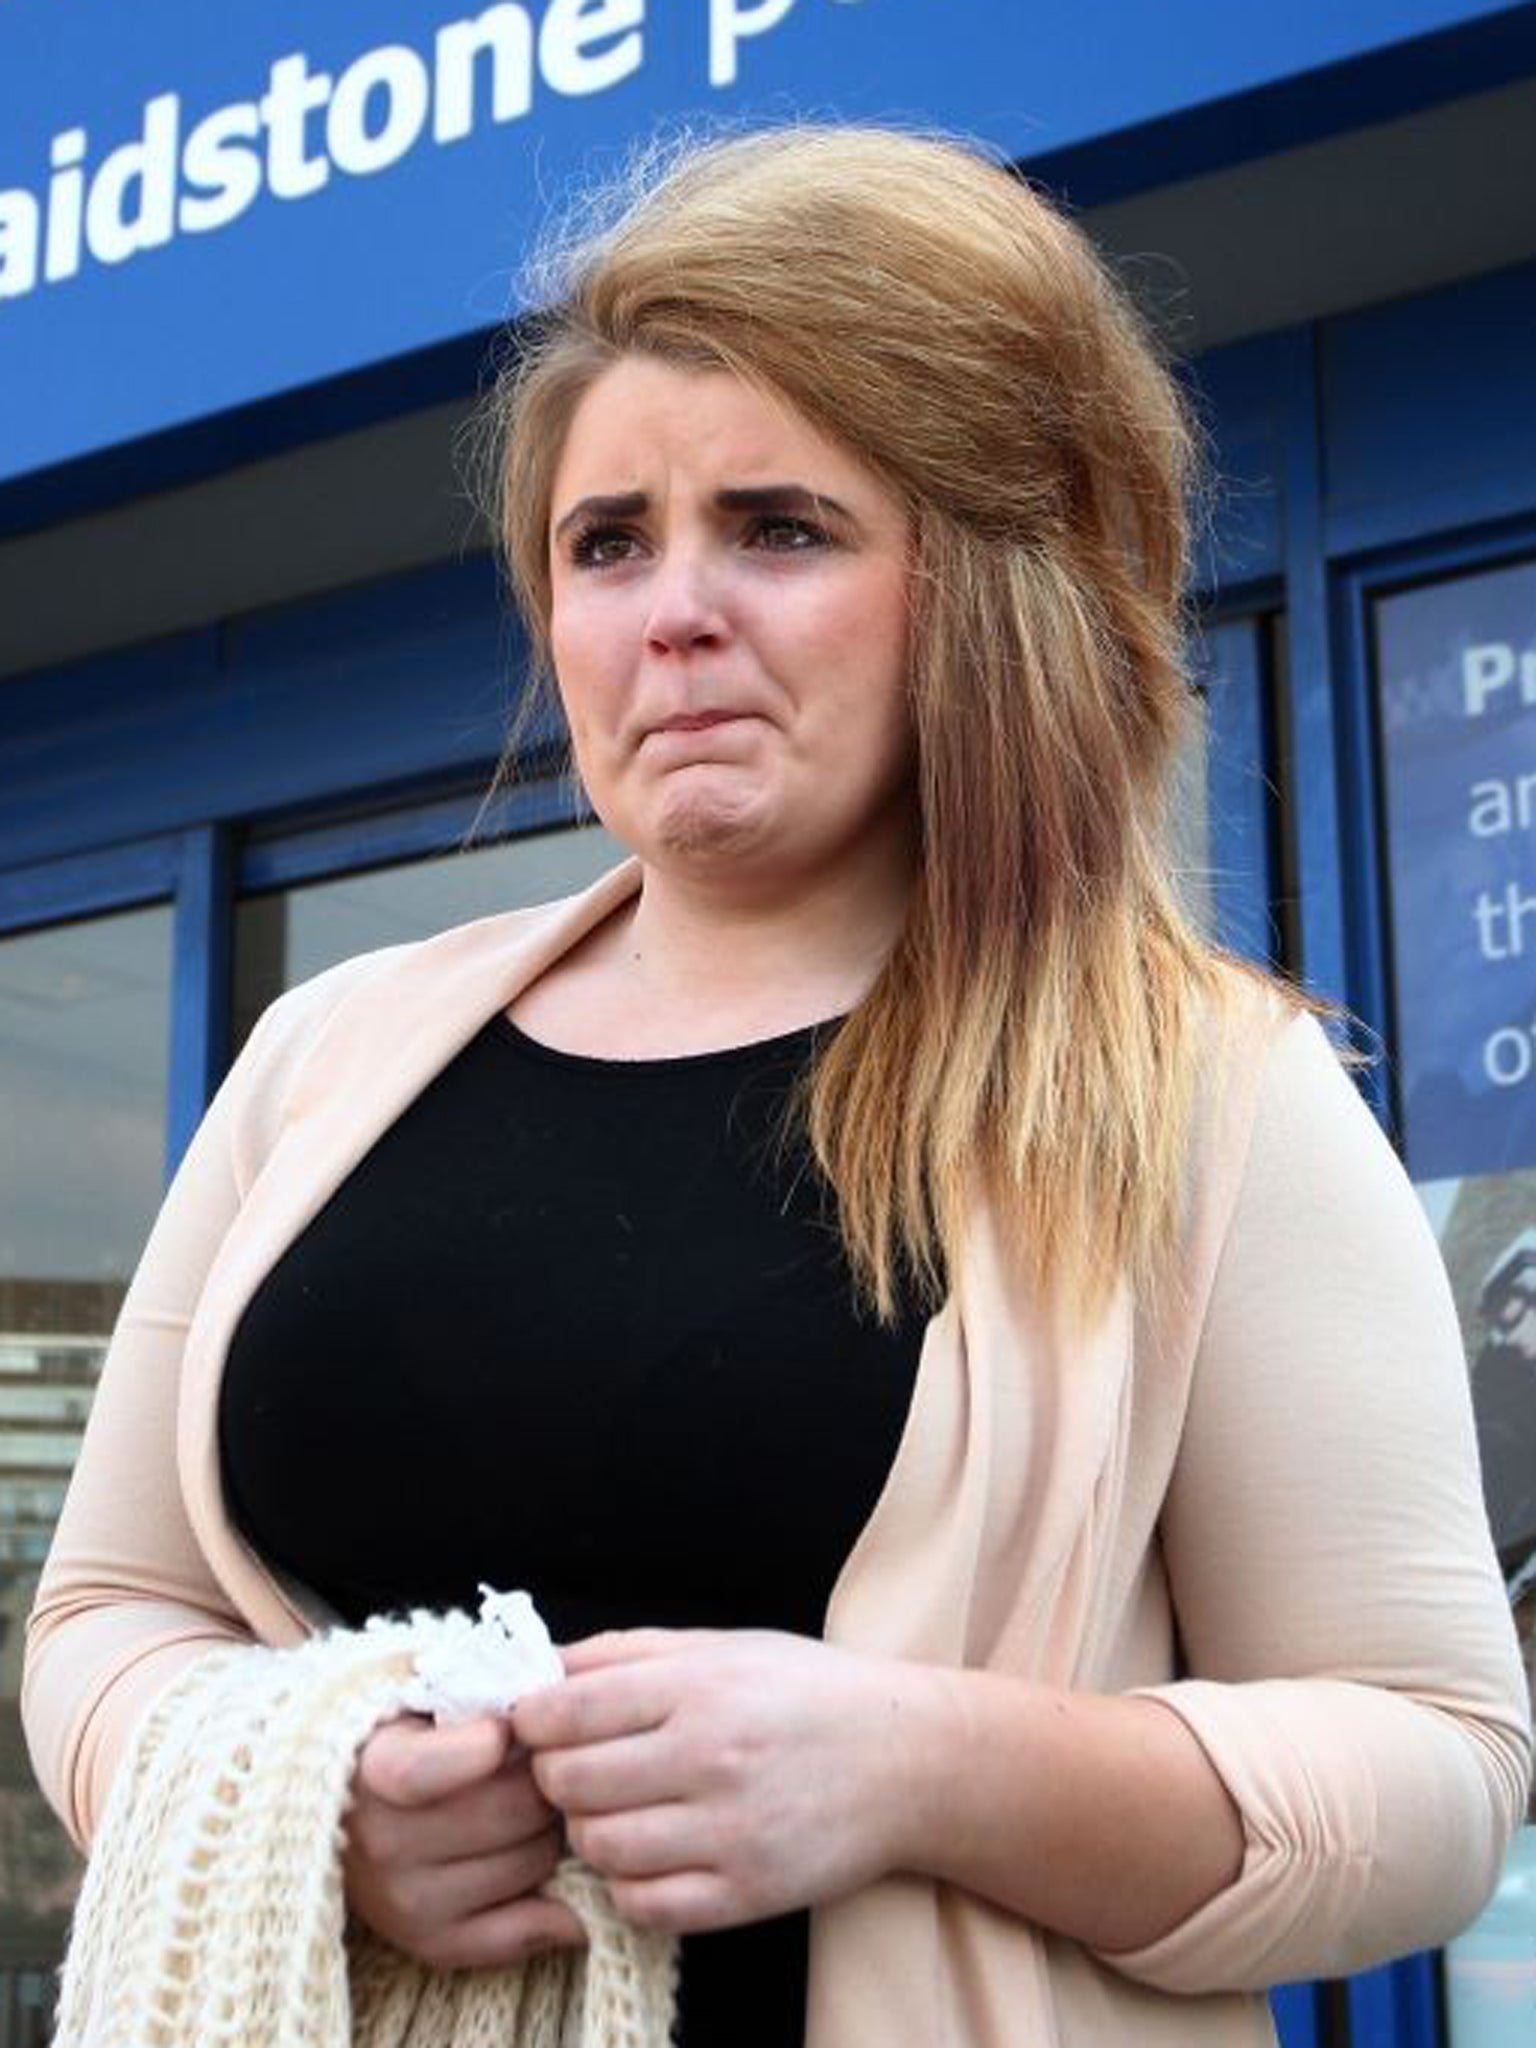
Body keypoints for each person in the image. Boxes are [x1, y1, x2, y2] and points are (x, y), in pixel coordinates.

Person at [22, 125, 1531, 2048]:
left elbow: (1436, 1768)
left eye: (782, 527)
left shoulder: (1210, 1095)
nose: (672, 612)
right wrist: (309, 1807)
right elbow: (100, 1625)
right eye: (607, 543)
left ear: (986, 587)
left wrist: (925, 1765)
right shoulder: (330, 1057)